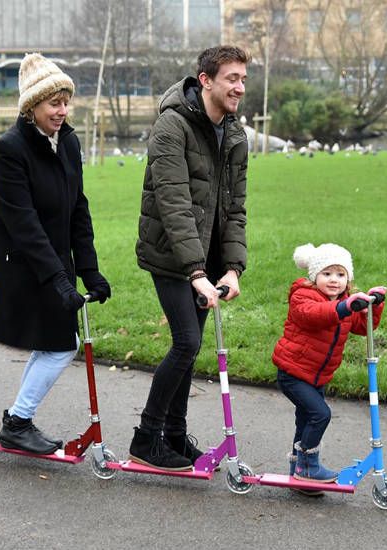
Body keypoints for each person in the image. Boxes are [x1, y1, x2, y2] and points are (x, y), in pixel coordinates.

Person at [130, 45, 250, 470]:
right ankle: (146, 438)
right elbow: (173, 203)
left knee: (189, 346)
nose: (239, 87)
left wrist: (232, 267)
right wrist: (195, 272)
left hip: (208, 258)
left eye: (242, 79)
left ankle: (175, 437)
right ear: (205, 80)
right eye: (231, 78)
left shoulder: (234, 133)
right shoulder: (171, 126)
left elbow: (235, 207)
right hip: (171, 254)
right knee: (186, 343)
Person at [0, 53, 110, 454]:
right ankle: (19, 421)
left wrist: (89, 271)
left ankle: (16, 421)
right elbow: (23, 223)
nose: (62, 110)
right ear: (30, 107)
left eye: (65, 101)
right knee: (61, 345)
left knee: (51, 343)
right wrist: (58, 278)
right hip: (25, 265)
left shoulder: (68, 142)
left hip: (56, 263)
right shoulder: (9, 149)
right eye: (53, 103)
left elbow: (79, 208)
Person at [273, 244, 385, 492]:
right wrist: (344, 307)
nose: (334, 280)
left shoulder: (345, 301)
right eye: (327, 274)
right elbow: (314, 315)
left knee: (305, 421)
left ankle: (299, 474)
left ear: (348, 279)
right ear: (314, 276)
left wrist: (373, 306)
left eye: (340, 274)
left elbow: (360, 326)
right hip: (293, 373)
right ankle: (308, 466)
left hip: (317, 376)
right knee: (319, 414)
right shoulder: (303, 296)